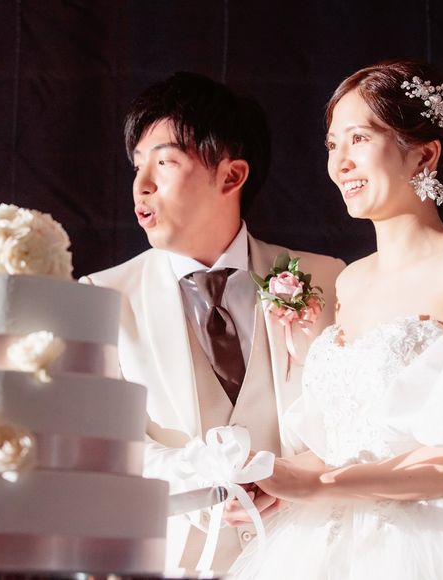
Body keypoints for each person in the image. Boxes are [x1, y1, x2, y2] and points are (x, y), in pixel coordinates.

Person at [80, 72, 343, 573]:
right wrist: (201, 478)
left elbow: (353, 423)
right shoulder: (101, 296)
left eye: (164, 162)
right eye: (137, 165)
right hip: (171, 561)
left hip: (310, 557)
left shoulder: (326, 279)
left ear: (231, 176)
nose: (141, 185)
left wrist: (296, 475)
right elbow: (103, 444)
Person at [230, 59, 443, 580]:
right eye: (333, 145)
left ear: (424, 154)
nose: (340, 164)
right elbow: (348, 441)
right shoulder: (351, 281)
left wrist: (322, 485)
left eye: (359, 138)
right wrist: (277, 478)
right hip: (327, 544)